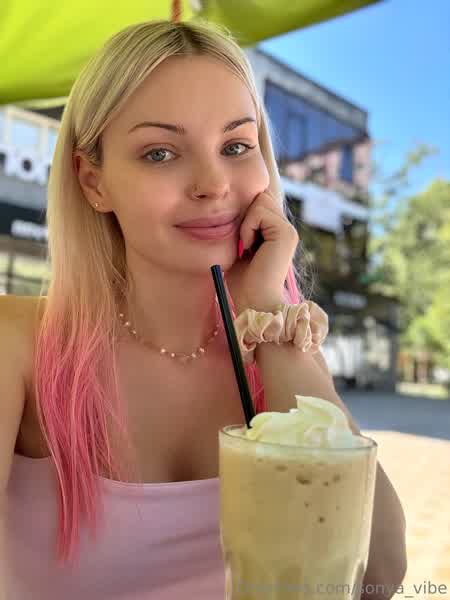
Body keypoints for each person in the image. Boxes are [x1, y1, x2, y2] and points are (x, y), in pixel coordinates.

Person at [0, 19, 406, 600]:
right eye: (160, 153)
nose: (213, 184)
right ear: (93, 183)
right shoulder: (16, 341)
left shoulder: (282, 349)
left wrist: (266, 310)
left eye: (236, 146)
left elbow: (377, 575)